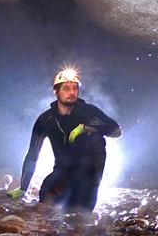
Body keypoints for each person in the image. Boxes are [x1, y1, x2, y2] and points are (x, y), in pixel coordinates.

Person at [10, 68, 121, 214]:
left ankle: (87, 195)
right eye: (66, 89)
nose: (72, 92)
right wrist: (23, 188)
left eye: (75, 88)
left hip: (87, 175)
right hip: (63, 172)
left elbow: (116, 131)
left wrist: (86, 127)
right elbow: (33, 154)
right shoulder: (46, 119)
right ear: (56, 92)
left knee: (96, 139)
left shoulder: (88, 111)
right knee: (45, 206)